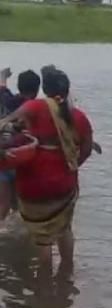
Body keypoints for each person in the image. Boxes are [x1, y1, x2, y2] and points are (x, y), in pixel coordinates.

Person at [0, 67, 93, 284]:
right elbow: (86, 150)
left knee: (43, 241)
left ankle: (44, 291)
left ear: (45, 89)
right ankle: (66, 280)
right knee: (65, 229)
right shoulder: (78, 116)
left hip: (33, 185)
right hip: (64, 185)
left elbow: (4, 124)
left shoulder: (34, 107)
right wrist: (72, 166)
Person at [0, 68, 40, 230]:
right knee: (20, 204)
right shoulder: (33, 107)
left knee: (2, 204)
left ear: (19, 86)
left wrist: (3, 76)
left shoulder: (6, 98)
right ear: (37, 90)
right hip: (21, 160)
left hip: (2, 158)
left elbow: (2, 86)